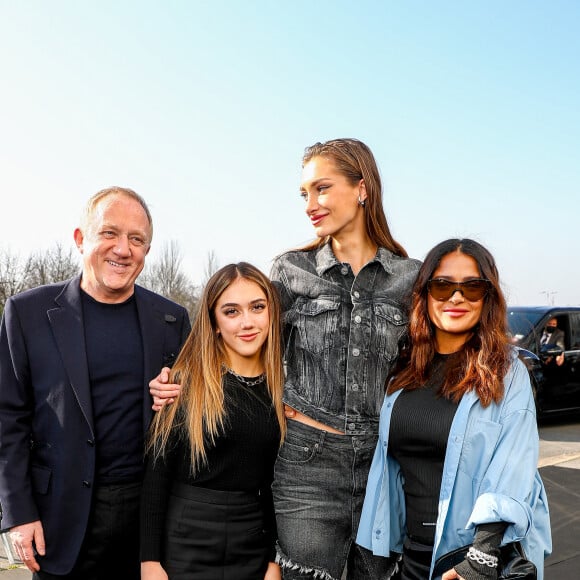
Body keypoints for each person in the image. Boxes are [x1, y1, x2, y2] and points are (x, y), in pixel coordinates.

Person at [149, 138, 421, 579]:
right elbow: (240, 335)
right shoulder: (291, 271)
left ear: (363, 188)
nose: (310, 204)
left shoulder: (409, 278)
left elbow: (424, 363)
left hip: (382, 468)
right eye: (304, 194)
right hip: (306, 465)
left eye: (322, 188)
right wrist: (177, 379)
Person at [0, 187, 191, 579]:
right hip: (58, 523)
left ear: (147, 251)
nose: (123, 249)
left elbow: (191, 418)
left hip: (147, 531)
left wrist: (182, 398)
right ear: (80, 239)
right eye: (109, 233)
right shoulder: (27, 313)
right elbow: (7, 420)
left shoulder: (173, 321)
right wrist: (17, 513)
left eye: (137, 239)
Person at [356, 238, 552, 580]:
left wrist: (481, 558)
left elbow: (512, 467)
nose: (456, 297)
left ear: (487, 297)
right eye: (442, 285)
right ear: (425, 294)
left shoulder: (507, 372)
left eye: (472, 287)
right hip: (410, 557)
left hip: (469, 560)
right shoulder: (403, 370)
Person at [140, 262, 286, 580]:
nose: (247, 322)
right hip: (185, 544)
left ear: (271, 313)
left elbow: (279, 486)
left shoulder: (284, 390)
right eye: (231, 311)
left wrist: (274, 561)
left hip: (252, 545)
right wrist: (149, 562)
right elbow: (156, 477)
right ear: (215, 322)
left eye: (257, 307)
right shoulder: (183, 384)